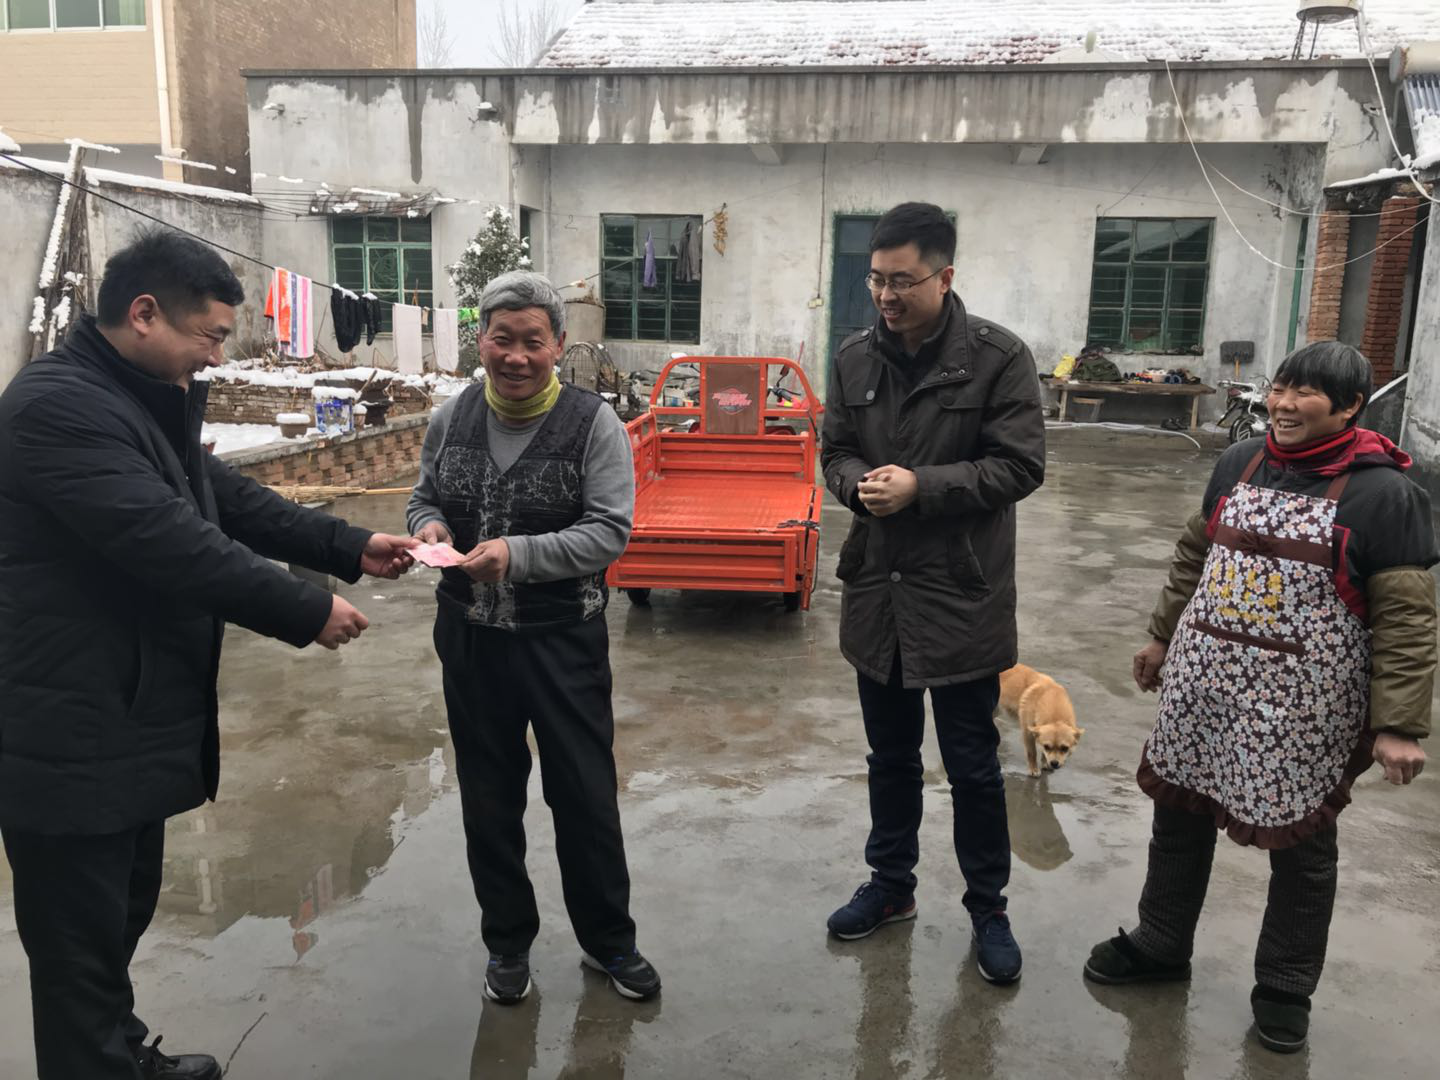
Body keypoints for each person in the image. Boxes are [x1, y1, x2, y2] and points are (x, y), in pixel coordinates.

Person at [0, 229, 418, 1080]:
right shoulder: (57, 408)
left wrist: (347, 545)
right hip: (66, 725)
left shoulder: (134, 397)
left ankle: (120, 1056)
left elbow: (222, 497)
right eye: (212, 336)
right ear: (144, 314)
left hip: (123, 712)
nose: (219, 356)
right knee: (78, 949)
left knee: (116, 920)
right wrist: (304, 608)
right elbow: (169, 542)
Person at [1083, 342, 1436, 1054]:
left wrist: (1399, 724)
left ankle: (1284, 987)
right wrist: (1161, 637)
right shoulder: (1238, 462)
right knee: (1178, 813)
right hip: (1206, 681)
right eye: (1279, 388)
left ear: (1349, 407)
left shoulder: (1385, 495)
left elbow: (1407, 618)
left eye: (1304, 394)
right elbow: (1196, 556)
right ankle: (1160, 942)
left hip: (1302, 704)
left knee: (1302, 842)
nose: (1282, 404)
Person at [407, 271, 659, 1004]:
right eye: (502, 339)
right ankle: (507, 944)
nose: (516, 356)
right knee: (488, 800)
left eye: (533, 342)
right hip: (470, 641)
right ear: (481, 340)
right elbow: (423, 496)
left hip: (561, 641)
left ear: (558, 345)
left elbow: (609, 532)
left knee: (584, 796)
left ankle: (609, 941)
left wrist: (516, 556)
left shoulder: (592, 424)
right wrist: (430, 526)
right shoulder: (451, 418)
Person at [820, 202, 1046, 985]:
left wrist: (922, 486)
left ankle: (989, 908)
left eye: (903, 281)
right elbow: (834, 451)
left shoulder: (998, 358)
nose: (886, 296)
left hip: (960, 594)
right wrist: (856, 483)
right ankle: (891, 886)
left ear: (944, 276)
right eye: (877, 280)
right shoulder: (854, 359)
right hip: (877, 592)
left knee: (973, 766)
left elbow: (1020, 466)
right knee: (890, 758)